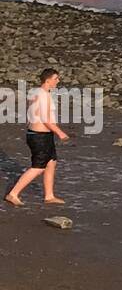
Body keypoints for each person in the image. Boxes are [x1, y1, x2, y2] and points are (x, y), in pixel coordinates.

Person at [5, 68, 70, 207]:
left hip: (40, 134)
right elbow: (45, 119)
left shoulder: (36, 92)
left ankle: (49, 196)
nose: (58, 81)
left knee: (51, 162)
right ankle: (13, 193)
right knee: (39, 167)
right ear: (48, 80)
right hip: (39, 136)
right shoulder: (43, 95)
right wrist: (60, 132)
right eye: (56, 78)